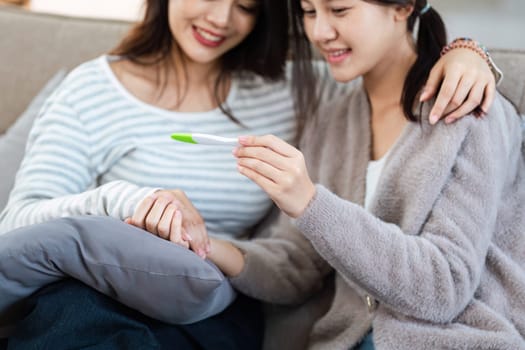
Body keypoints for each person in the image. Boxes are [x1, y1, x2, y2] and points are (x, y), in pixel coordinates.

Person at [0, 0, 503, 349]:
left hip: (214, 304)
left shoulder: (295, 92)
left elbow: (390, 78)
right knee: (79, 317)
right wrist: (131, 205)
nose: (221, 18)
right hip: (103, 288)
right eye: (308, 12)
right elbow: (18, 224)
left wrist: (469, 53)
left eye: (246, 5)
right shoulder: (90, 91)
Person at [205, 1, 525, 349]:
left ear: (402, 8)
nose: (320, 32)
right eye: (309, 12)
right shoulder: (332, 121)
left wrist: (310, 203)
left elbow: (443, 285)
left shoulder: (468, 111)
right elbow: (297, 264)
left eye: (339, 10)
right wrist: (204, 245)